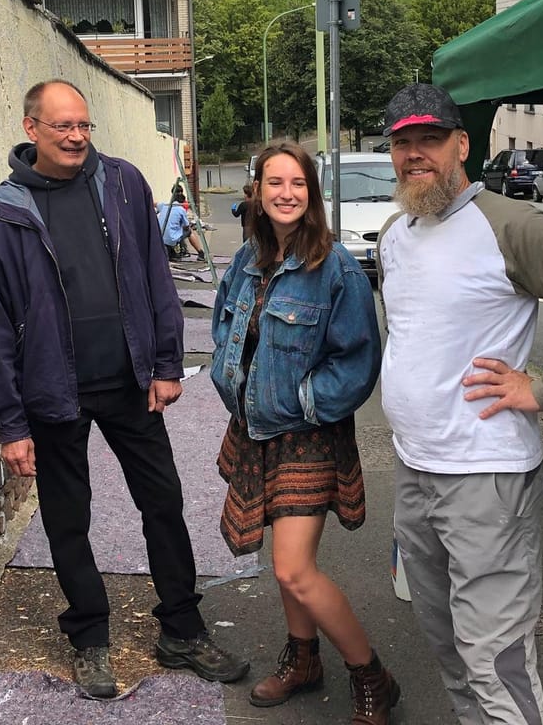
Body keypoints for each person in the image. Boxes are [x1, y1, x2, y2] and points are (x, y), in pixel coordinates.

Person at [375, 84, 543, 725]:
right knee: (446, 644)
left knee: (494, 656)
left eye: (429, 140)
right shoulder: (395, 233)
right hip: (415, 471)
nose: (416, 155)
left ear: (461, 145)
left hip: (485, 477)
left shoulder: (509, 225)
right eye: (403, 142)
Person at [0, 79, 248, 698]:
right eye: (62, 126)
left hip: (128, 380)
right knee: (69, 520)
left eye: (84, 126)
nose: (75, 137)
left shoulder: (123, 182)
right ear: (31, 128)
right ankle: (90, 639)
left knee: (164, 503)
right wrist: (11, 424)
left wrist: (167, 362)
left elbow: (156, 274)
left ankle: (181, 628)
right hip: (52, 391)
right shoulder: (5, 211)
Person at [211, 143, 395, 724]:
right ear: (259, 192)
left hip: (307, 433)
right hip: (254, 428)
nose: (286, 193)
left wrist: (301, 401)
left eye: (297, 183)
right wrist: (231, 379)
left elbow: (358, 360)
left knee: (294, 567)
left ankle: (371, 674)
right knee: (281, 560)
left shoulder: (334, 266)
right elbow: (222, 325)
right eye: (274, 183)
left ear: (311, 194)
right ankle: (303, 659)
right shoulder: (246, 260)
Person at [159, 188, 204, 261]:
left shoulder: (164, 205)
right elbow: (186, 227)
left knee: (175, 229)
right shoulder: (181, 209)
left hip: (160, 237)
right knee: (189, 231)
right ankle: (201, 253)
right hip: (171, 238)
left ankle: (174, 252)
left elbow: (155, 204)